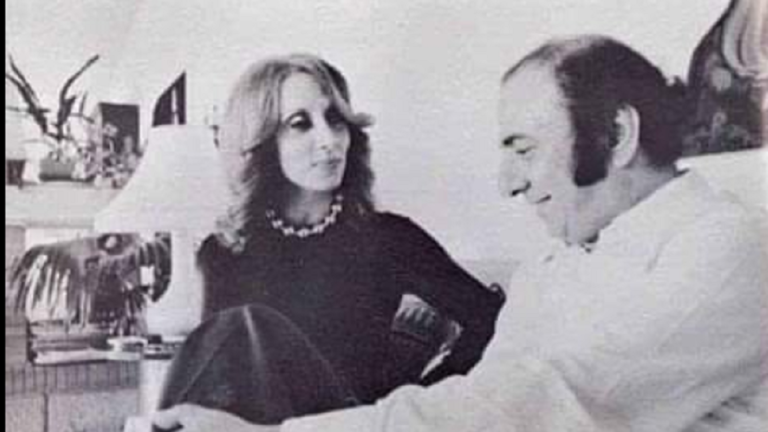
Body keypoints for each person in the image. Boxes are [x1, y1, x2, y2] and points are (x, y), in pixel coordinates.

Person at [153, 35, 768, 431]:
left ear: (618, 135)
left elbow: (547, 401)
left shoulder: (728, 249)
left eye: (523, 149)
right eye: (298, 124)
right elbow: (488, 396)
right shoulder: (552, 265)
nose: (507, 183)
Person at [153, 54, 504, 425]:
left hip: (343, 424)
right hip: (256, 426)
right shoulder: (223, 251)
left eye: (335, 120)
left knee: (244, 323)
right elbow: (222, 382)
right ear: (262, 141)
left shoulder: (390, 239)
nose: (329, 140)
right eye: (300, 124)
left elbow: (493, 322)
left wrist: (414, 404)